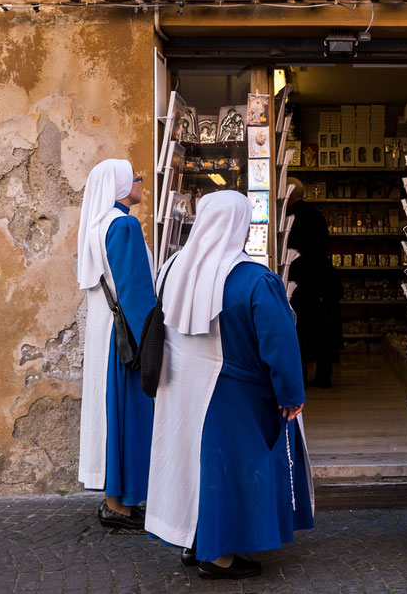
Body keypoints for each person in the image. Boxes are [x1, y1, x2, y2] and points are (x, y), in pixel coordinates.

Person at [145, 191, 314, 580]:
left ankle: (193, 539)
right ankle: (218, 555)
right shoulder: (254, 279)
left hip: (179, 385)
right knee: (225, 471)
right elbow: (279, 342)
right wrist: (291, 394)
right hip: (233, 391)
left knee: (188, 464)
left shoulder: (172, 267)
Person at [76, 159, 156, 530]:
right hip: (126, 341)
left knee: (111, 417)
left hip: (105, 335)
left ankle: (116, 501)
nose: (140, 181)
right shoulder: (124, 225)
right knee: (127, 417)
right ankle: (119, 505)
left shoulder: (98, 224)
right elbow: (135, 290)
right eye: (136, 177)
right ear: (122, 184)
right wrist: (154, 342)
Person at [287, 178, 342, 388]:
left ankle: (300, 375)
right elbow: (325, 247)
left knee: (297, 330)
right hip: (319, 279)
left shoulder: (287, 217)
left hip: (295, 280)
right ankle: (323, 375)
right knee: (320, 330)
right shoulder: (317, 215)